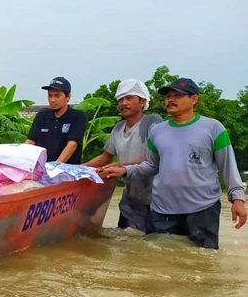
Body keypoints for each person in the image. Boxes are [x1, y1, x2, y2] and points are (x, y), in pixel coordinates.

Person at [103, 77, 246, 248]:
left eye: (177, 95)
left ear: (194, 99)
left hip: (203, 209)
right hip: (162, 211)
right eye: (168, 96)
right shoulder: (157, 132)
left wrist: (237, 199)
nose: (170, 99)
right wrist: (125, 170)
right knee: (162, 262)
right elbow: (152, 165)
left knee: (202, 262)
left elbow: (228, 168)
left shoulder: (213, 128)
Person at [85, 79, 162, 230]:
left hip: (155, 200)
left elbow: (156, 157)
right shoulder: (118, 128)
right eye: (120, 99)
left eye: (129, 98)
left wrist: (122, 165)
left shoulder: (153, 122)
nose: (123, 103)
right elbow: (105, 158)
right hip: (131, 199)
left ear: (142, 101)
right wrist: (76, 168)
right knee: (126, 242)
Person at [25, 77, 88, 164]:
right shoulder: (42, 115)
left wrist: (55, 166)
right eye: (50, 95)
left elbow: (72, 145)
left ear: (68, 97)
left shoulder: (77, 117)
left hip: (66, 172)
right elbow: (30, 141)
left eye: (57, 96)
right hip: (41, 170)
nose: (52, 100)